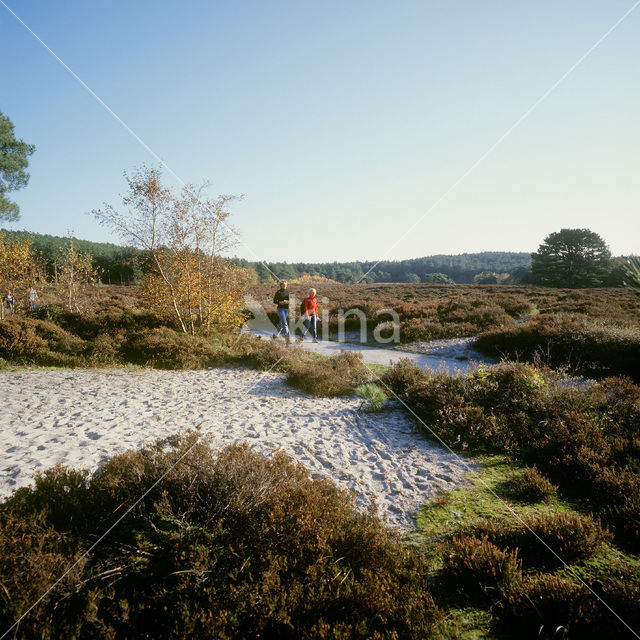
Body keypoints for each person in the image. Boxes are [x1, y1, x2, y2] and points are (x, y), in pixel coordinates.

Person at [272, 279, 291, 344]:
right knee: (285, 323)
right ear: (281, 285)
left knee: (281, 323)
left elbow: (288, 301)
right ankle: (288, 338)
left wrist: (287, 302)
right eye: (284, 285)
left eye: (286, 285)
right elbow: (274, 301)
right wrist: (280, 302)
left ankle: (274, 335)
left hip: (286, 309)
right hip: (280, 309)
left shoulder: (287, 292)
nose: (285, 286)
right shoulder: (278, 292)